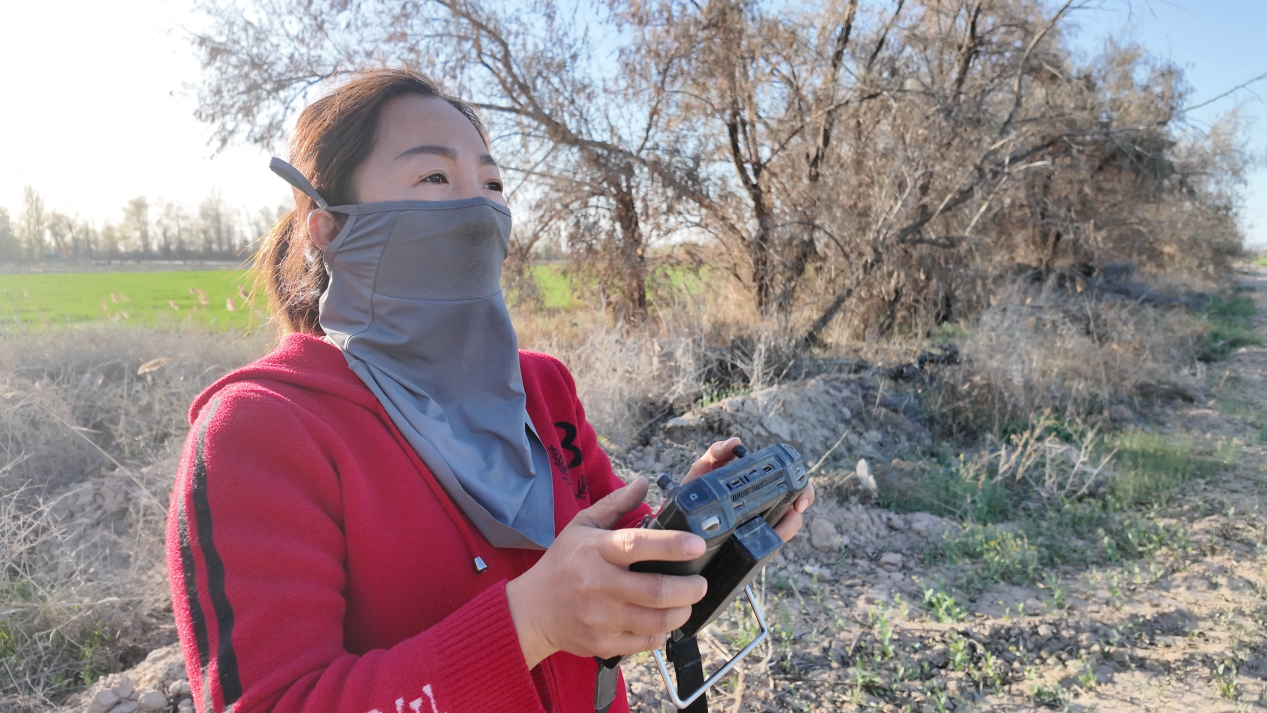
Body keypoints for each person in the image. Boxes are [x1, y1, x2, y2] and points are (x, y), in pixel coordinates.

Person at [165, 67, 815, 713]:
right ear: (330, 227)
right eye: (434, 177)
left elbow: (605, 566)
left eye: (493, 183)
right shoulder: (258, 432)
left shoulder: (541, 387)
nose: (478, 207)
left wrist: (686, 539)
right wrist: (528, 623)